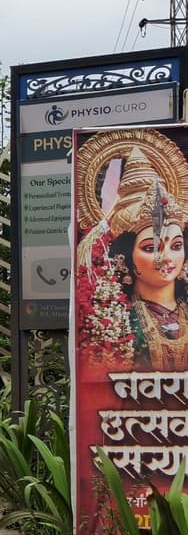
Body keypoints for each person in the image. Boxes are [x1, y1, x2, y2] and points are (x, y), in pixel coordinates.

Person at [76, 139, 188, 372]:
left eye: (176, 245)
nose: (167, 258)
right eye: (151, 248)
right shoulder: (116, 320)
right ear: (125, 258)